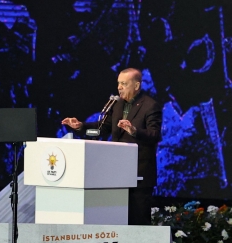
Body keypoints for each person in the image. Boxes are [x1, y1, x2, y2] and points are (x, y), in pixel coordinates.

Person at [61, 68, 160, 225]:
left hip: (138, 174)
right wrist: (81, 126)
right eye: (118, 83)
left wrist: (134, 131)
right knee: (116, 220)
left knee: (138, 221)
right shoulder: (117, 104)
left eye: (124, 84)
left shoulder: (150, 105)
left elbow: (155, 135)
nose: (119, 87)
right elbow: (102, 128)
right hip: (116, 173)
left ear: (136, 86)